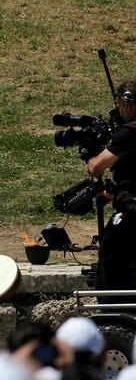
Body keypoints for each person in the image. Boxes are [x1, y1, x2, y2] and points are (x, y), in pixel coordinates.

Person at [87, 79, 136, 305]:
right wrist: (117, 195)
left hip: (131, 213)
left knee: (110, 254)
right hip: (127, 201)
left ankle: (115, 317)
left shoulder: (129, 132)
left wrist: (91, 158)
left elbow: (96, 167)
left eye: (119, 104)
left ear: (128, 103)